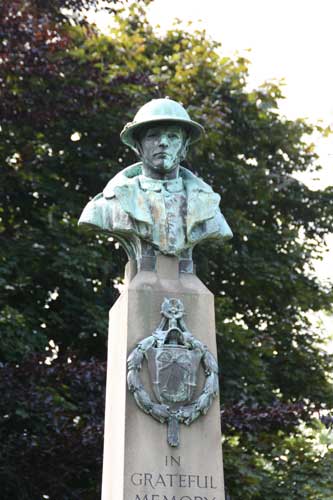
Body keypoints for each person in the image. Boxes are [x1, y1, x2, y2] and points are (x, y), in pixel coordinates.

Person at [78, 98, 232, 272]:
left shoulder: (209, 207)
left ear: (184, 147)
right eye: (153, 135)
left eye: (173, 136)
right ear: (138, 146)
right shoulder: (107, 206)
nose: (163, 142)